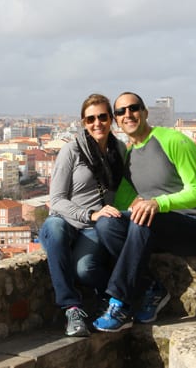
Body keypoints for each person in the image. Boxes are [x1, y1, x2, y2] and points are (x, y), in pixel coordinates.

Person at [92, 92, 196, 332]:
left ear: (145, 112)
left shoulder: (173, 140)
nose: (128, 114)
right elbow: (121, 204)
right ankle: (152, 288)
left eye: (133, 108)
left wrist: (159, 203)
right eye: (121, 112)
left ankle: (120, 302)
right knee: (108, 224)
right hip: (157, 229)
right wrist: (94, 215)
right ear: (117, 120)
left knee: (143, 215)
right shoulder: (129, 157)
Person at [39, 93, 125, 337]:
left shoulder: (119, 150)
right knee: (55, 229)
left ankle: (109, 298)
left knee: (85, 269)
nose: (97, 123)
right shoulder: (71, 150)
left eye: (102, 117)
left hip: (93, 228)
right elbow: (56, 199)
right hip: (65, 221)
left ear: (111, 119)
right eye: (90, 119)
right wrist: (91, 214)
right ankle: (72, 308)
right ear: (83, 123)